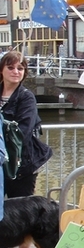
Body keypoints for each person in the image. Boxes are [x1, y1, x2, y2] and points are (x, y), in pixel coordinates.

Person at [0, 52, 52, 227]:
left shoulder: (26, 97)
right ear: (2, 70)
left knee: (23, 210)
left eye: (20, 68)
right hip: (1, 162)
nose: (16, 71)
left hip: (21, 163)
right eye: (11, 67)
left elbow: (23, 131)